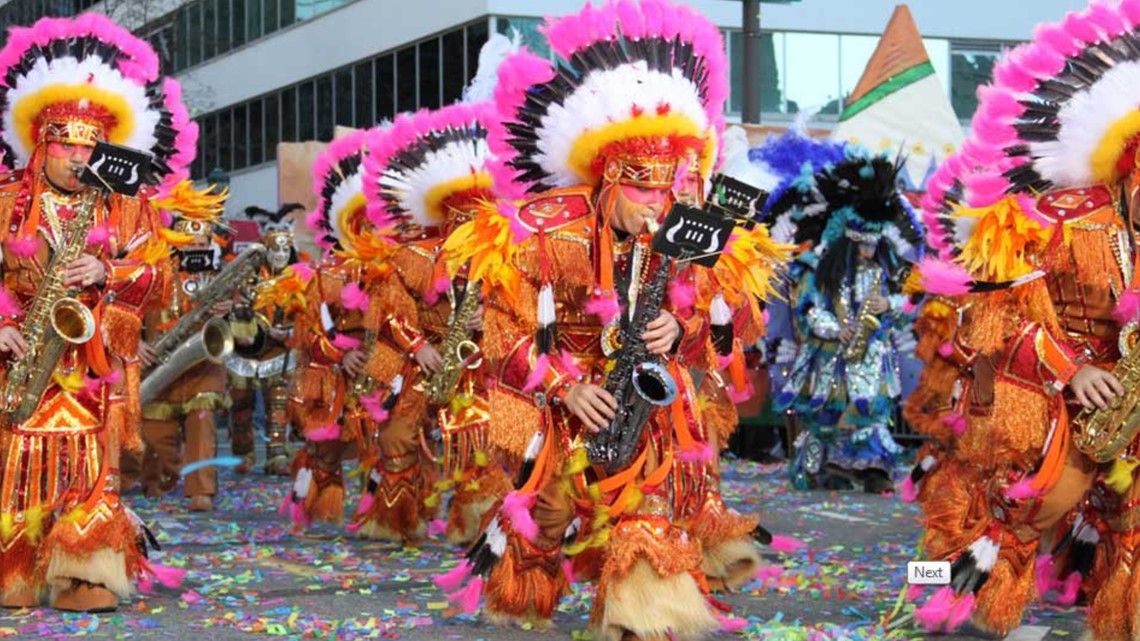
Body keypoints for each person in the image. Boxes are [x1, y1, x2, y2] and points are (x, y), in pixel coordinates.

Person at [434, 2, 785, 638]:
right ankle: (527, 582)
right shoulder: (545, 230)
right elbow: (499, 328)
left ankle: (639, 620)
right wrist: (565, 387)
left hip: (645, 398)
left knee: (649, 507)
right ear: (608, 181)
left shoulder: (686, 226)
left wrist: (682, 331)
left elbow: (726, 319)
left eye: (664, 190)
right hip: (562, 397)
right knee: (543, 518)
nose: (656, 205)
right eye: (642, 192)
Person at [906, 2, 1140, 637]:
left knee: (1130, 527)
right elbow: (992, 318)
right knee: (1006, 515)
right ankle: (934, 598)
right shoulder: (1059, 216)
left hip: (1130, 410)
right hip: (1048, 402)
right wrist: (1075, 370)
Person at [0, 14, 195, 611]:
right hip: (22, 362)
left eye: (89, 147)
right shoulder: (7, 201)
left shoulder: (126, 206)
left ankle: (85, 571)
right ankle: (18, 568)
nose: (78, 157)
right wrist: (4, 320)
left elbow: (162, 279)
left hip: (93, 363)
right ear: (40, 143)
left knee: (91, 465)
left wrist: (108, 273)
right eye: (67, 145)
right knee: (16, 460)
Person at [362, 100, 510, 546]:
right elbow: (387, 310)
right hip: (419, 358)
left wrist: (493, 318)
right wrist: (417, 348)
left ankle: (472, 521)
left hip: (474, 360)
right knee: (398, 437)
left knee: (478, 439)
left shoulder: (503, 257)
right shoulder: (413, 253)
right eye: (462, 217)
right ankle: (398, 518)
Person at [768, 149, 922, 493]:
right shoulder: (819, 269)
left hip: (872, 356)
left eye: (873, 244)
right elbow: (809, 310)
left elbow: (908, 304)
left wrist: (890, 303)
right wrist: (837, 329)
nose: (869, 251)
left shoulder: (887, 267)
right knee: (825, 418)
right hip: (829, 358)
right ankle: (820, 468)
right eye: (862, 245)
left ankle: (870, 468)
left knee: (871, 415)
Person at [132, 186, 232, 512]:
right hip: (158, 366)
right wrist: (136, 341)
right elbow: (126, 310)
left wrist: (223, 309)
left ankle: (201, 491)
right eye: (189, 243)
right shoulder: (152, 271)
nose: (195, 249)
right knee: (156, 437)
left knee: (202, 424)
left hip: (201, 367)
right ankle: (157, 481)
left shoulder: (216, 277)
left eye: (202, 244)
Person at [228, 204, 305, 476]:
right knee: (241, 406)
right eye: (275, 250)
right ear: (266, 250)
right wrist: (255, 329)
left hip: (280, 353)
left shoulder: (300, 280)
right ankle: (242, 455)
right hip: (247, 353)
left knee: (278, 406)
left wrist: (290, 333)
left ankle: (277, 455)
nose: (281, 254)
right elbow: (238, 308)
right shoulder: (248, 278)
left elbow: (306, 315)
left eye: (285, 250)